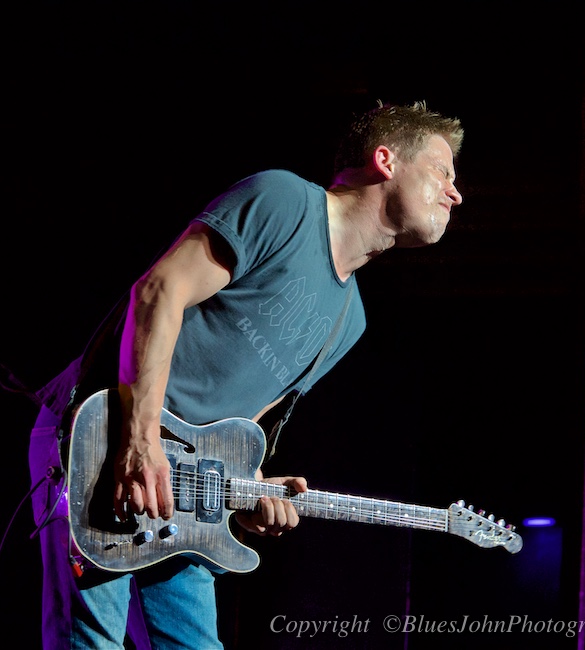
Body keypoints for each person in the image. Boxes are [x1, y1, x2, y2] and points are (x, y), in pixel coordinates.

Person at [28, 100, 464, 649]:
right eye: (442, 171)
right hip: (103, 435)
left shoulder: (349, 320)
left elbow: (241, 421)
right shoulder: (284, 201)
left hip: (182, 495)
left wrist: (248, 488)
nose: (455, 192)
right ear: (386, 160)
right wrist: (140, 441)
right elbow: (159, 292)